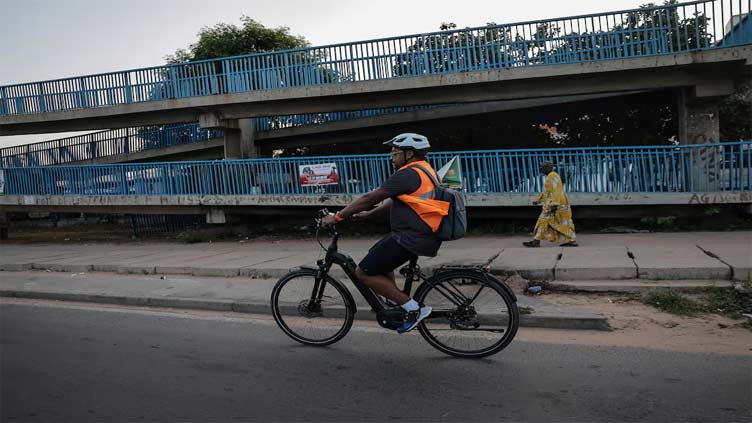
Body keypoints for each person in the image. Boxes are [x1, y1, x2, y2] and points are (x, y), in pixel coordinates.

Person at [321, 133, 448, 333]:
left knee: (363, 273)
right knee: (377, 253)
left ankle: (414, 309)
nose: (391, 157)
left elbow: (370, 197)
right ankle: (395, 299)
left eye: (395, 153)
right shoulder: (426, 171)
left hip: (411, 237)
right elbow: (396, 199)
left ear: (409, 154)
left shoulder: (408, 173)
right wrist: (370, 214)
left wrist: (337, 217)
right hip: (421, 235)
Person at [523, 161, 578, 247]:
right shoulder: (551, 176)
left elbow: (557, 190)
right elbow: (547, 192)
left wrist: (555, 204)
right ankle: (536, 240)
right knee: (554, 222)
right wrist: (538, 200)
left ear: (548, 168)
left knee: (553, 222)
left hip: (556, 204)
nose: (540, 169)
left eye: (542, 167)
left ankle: (536, 241)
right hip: (555, 204)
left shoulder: (552, 176)